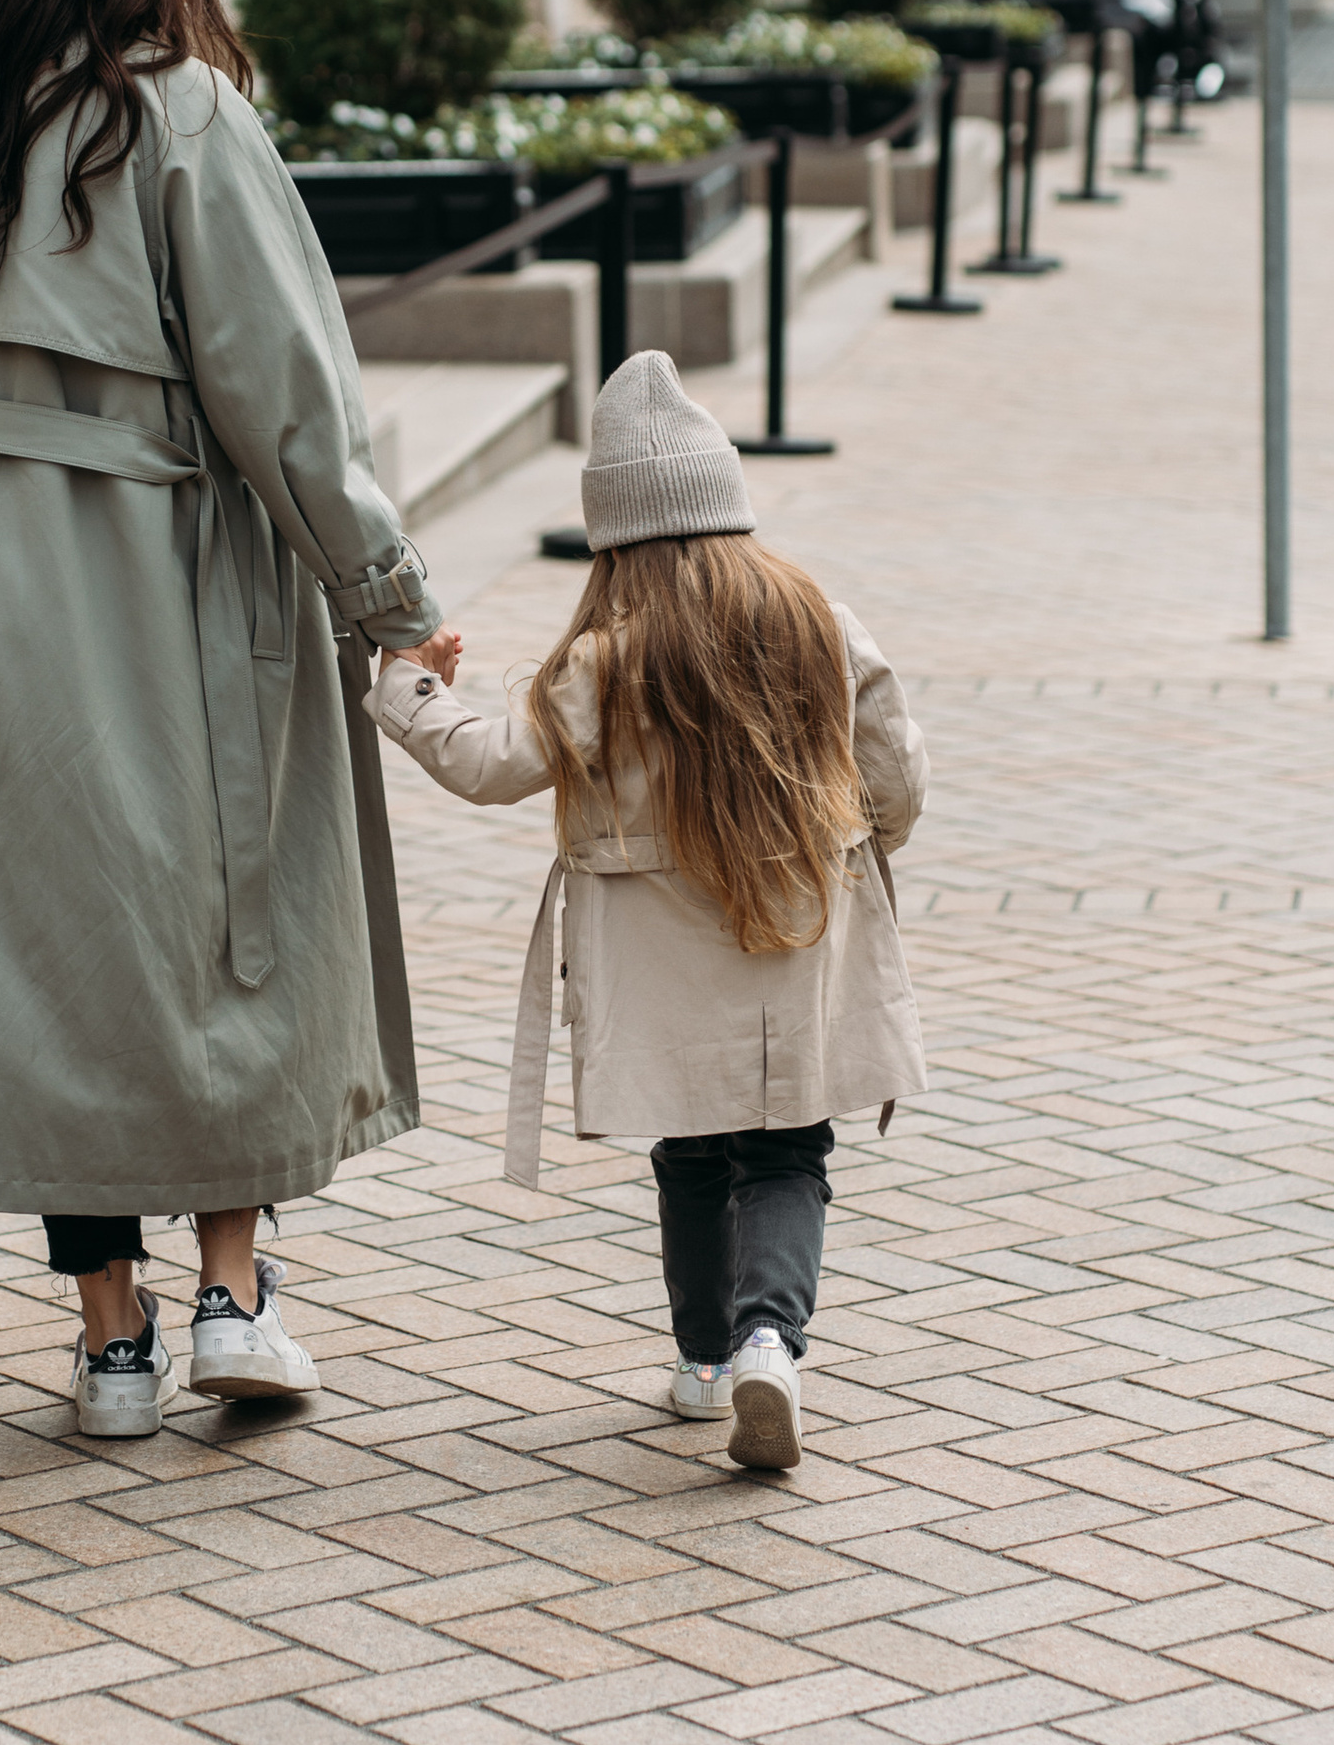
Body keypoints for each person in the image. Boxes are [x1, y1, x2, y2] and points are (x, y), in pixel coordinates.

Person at [0, 0, 440, 1438]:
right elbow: (284, 398)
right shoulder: (177, 118)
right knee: (216, 928)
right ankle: (233, 1296)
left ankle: (108, 1341)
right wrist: (387, 598)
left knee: (42, 953)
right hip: (155, 592)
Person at [367, 353, 927, 1475]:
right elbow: (895, 771)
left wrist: (409, 682)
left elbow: (488, 766)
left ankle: (707, 1360)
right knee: (788, 1149)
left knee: (692, 1146)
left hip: (658, 962)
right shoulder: (817, 621)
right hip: (795, 924)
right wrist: (861, 843)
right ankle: (771, 1342)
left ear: (612, 539)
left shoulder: (603, 660)